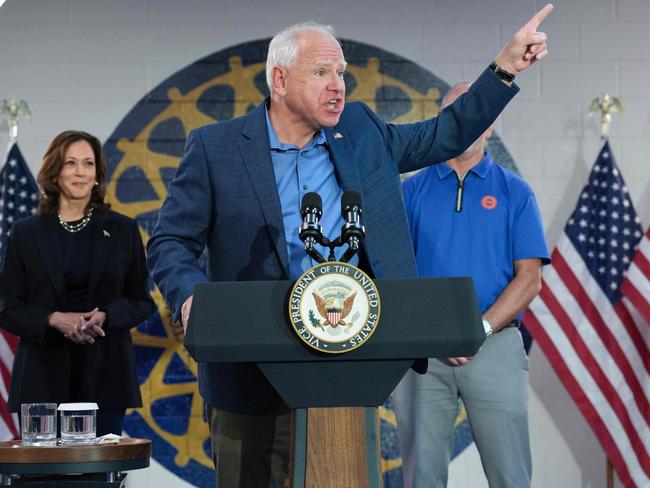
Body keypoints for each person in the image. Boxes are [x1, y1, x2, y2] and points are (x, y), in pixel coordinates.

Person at [147, 6, 553, 487]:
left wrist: (503, 68)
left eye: (341, 73)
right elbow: (171, 241)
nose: (338, 85)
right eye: (321, 73)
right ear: (279, 80)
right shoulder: (216, 148)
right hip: (249, 370)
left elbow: (447, 132)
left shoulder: (361, 131)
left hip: (345, 365)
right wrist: (191, 296)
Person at [392, 82, 551, 488]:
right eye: (455, 116)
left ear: (490, 126)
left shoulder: (515, 192)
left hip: (494, 346)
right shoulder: (409, 192)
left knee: (509, 476)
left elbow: (529, 279)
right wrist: (433, 332)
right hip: (423, 352)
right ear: (442, 124)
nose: (465, 125)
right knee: (421, 477)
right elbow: (394, 275)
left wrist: (477, 330)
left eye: (474, 115)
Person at [0, 130, 155, 436]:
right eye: (71, 163)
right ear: (54, 171)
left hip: (106, 376)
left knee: (98, 479)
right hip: (40, 378)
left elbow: (141, 300)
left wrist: (107, 316)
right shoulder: (26, 233)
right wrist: (53, 319)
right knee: (43, 480)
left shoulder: (123, 230)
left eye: (88, 164)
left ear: (98, 175)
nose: (80, 172)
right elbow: (7, 306)